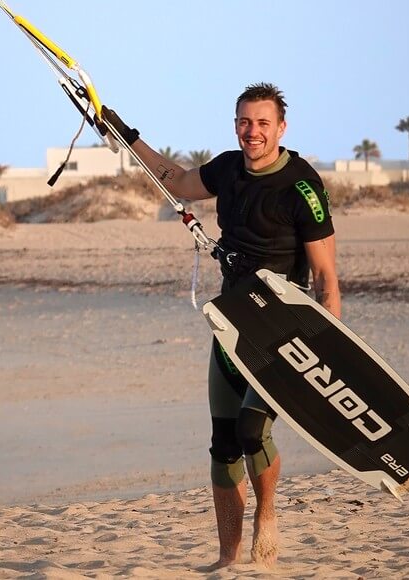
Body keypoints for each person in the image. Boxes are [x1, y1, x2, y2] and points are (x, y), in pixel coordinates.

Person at [102, 82, 341, 568]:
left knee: (254, 429)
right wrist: (124, 135)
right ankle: (228, 559)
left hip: (283, 330)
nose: (251, 132)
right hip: (232, 324)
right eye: (243, 122)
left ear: (281, 128)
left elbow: (326, 278)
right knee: (223, 443)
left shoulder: (301, 186)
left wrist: (325, 345)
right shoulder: (228, 168)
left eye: (261, 123)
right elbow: (176, 179)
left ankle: (268, 515)